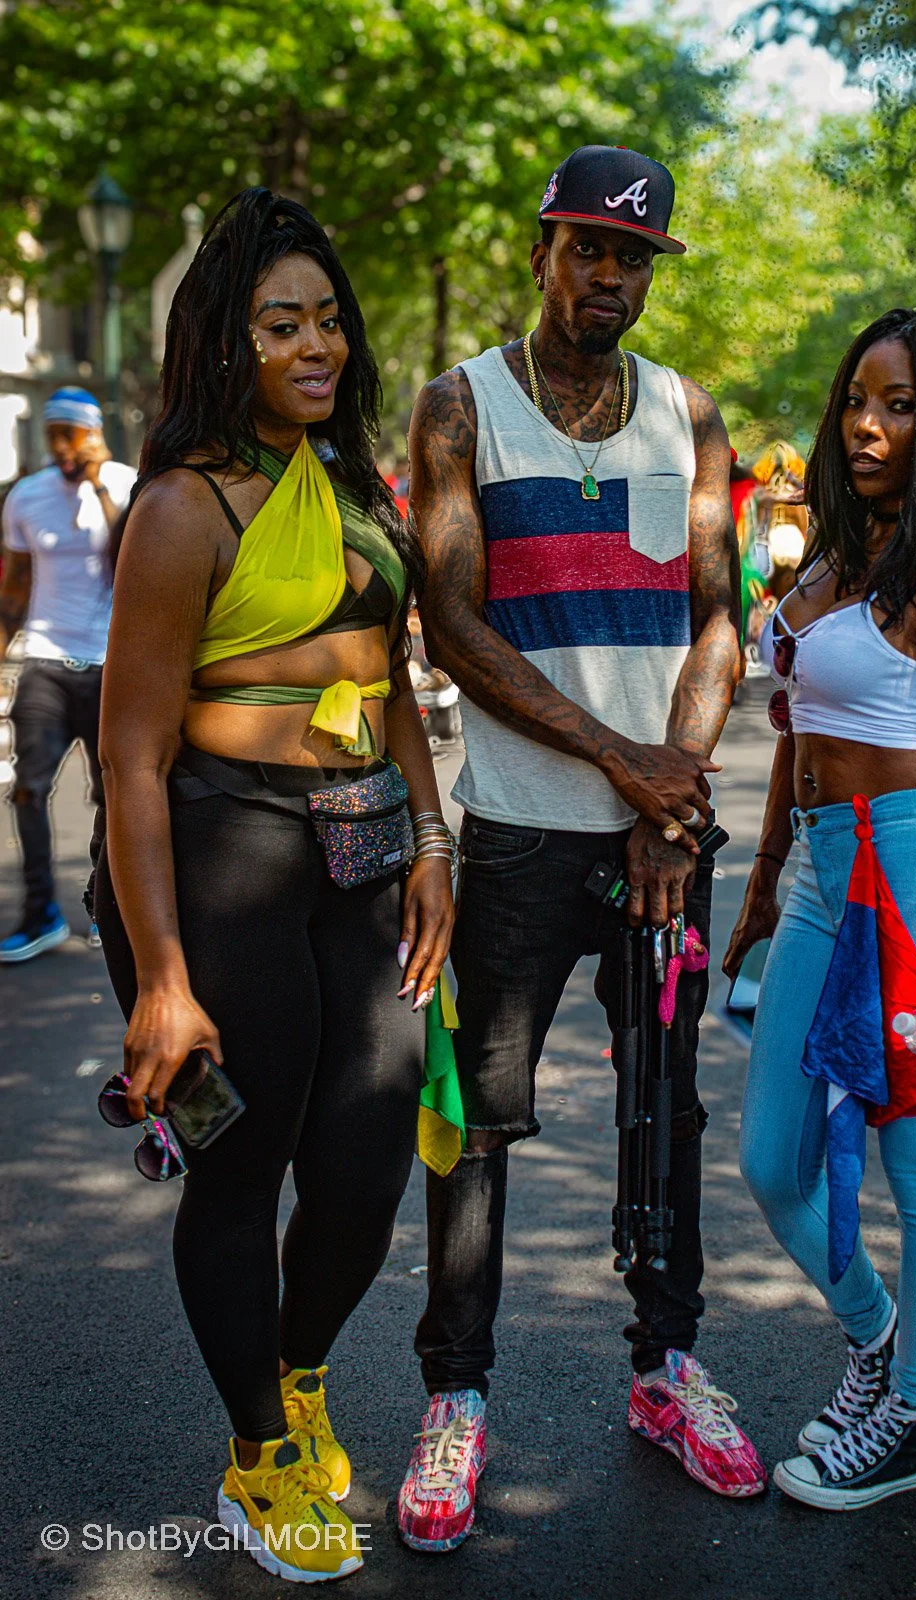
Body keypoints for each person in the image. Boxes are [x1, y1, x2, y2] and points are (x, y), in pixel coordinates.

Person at [400, 143, 765, 1556]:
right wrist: (631, 771)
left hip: (659, 844)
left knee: (665, 1111)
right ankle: (457, 1398)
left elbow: (720, 617)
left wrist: (670, 808)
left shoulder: (693, 415)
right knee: (477, 1124)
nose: (608, 275)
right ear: (543, 250)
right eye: (586, 249)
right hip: (522, 840)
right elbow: (453, 624)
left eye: (632, 257)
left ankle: (667, 1370)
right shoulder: (462, 407)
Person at [93, 189, 453, 1584]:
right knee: (240, 1170)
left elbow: (394, 686)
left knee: (365, 1171)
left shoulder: (361, 489)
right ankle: (256, 1451)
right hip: (222, 848)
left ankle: (299, 1375)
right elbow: (128, 761)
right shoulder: (185, 507)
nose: (317, 343)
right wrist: (163, 982)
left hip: (363, 849)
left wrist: (434, 849)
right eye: (280, 322)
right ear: (225, 342)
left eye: (329, 320)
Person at [724, 306, 916, 1510]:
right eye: (858, 396)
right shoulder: (828, 565)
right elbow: (796, 735)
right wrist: (754, 885)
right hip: (812, 868)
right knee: (771, 1158)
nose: (864, 423)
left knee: (914, 1157)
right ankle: (880, 1341)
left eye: (899, 404)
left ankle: (911, 1416)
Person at [0, 388, 134, 961]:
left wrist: (99, 483)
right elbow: (16, 586)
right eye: (52, 433)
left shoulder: (128, 487)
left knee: (112, 793)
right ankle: (41, 915)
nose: (60, 446)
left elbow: (124, 558)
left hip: (113, 665)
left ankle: (106, 910)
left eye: (71, 433)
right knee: (28, 789)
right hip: (47, 662)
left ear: (95, 433)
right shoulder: (25, 497)